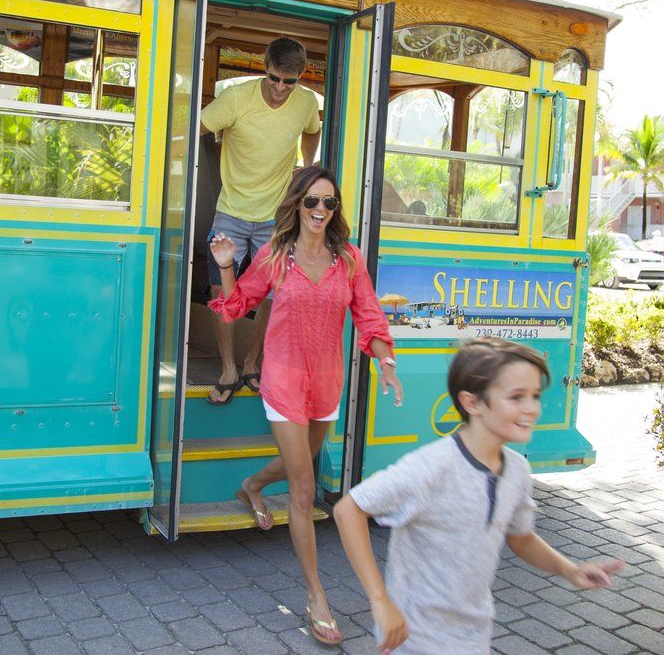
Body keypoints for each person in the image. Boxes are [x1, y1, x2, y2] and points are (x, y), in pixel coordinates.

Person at [209, 166, 402, 645]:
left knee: (305, 463)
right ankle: (316, 596)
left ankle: (251, 486)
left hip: (326, 381)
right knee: (304, 485)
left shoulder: (349, 259)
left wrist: (386, 361)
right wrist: (227, 264)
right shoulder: (276, 255)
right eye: (312, 202)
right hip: (283, 379)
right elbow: (236, 306)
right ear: (297, 204)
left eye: (329, 203)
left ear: (336, 210)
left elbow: (369, 316)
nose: (320, 211)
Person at [333, 337, 624, 653]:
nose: (531, 408)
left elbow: (521, 537)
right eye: (516, 397)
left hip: (474, 635)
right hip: (414, 638)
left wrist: (571, 569)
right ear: (472, 403)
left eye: (535, 396)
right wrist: (380, 600)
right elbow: (349, 509)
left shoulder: (516, 469)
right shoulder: (432, 466)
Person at [201, 36, 322, 405]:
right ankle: (228, 369)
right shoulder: (236, 98)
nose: (282, 88)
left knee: (274, 293)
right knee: (223, 294)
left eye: (291, 81)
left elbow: (312, 132)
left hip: (275, 216)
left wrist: (306, 168)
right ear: (263, 69)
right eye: (275, 78)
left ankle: (253, 363)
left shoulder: (305, 102)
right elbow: (193, 128)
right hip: (231, 211)